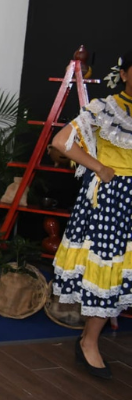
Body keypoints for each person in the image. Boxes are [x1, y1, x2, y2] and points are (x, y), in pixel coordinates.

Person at [50, 50, 132, 380]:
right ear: (124, 74)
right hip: (112, 201)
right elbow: (61, 142)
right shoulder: (105, 108)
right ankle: (89, 341)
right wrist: (99, 167)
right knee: (106, 274)